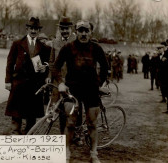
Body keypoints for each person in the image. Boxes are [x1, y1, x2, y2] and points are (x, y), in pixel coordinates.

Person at [52, 20, 108, 163]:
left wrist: (99, 83)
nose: (83, 34)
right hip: (72, 89)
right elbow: (55, 67)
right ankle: (66, 152)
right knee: (70, 123)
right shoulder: (68, 48)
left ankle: (94, 153)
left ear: (91, 32)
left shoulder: (96, 48)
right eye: (80, 30)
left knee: (92, 123)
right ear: (76, 32)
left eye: (86, 31)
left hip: (91, 90)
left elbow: (105, 67)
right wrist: (61, 84)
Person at [4, 17, 51, 135]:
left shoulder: (44, 47)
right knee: (16, 112)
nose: (33, 31)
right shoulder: (17, 43)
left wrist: (44, 69)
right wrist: (8, 81)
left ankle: (29, 133)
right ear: (27, 29)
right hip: (19, 83)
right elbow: (10, 63)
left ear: (39, 30)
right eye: (31, 28)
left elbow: (47, 64)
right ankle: (15, 132)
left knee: (32, 112)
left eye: (36, 29)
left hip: (35, 84)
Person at [46, 16, 76, 135]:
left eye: (66, 29)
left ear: (71, 28)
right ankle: (62, 133)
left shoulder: (76, 41)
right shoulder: (55, 42)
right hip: (58, 80)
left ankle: (75, 135)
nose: (64, 31)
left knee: (74, 107)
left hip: (73, 80)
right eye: (62, 29)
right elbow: (52, 62)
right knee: (59, 108)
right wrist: (50, 75)